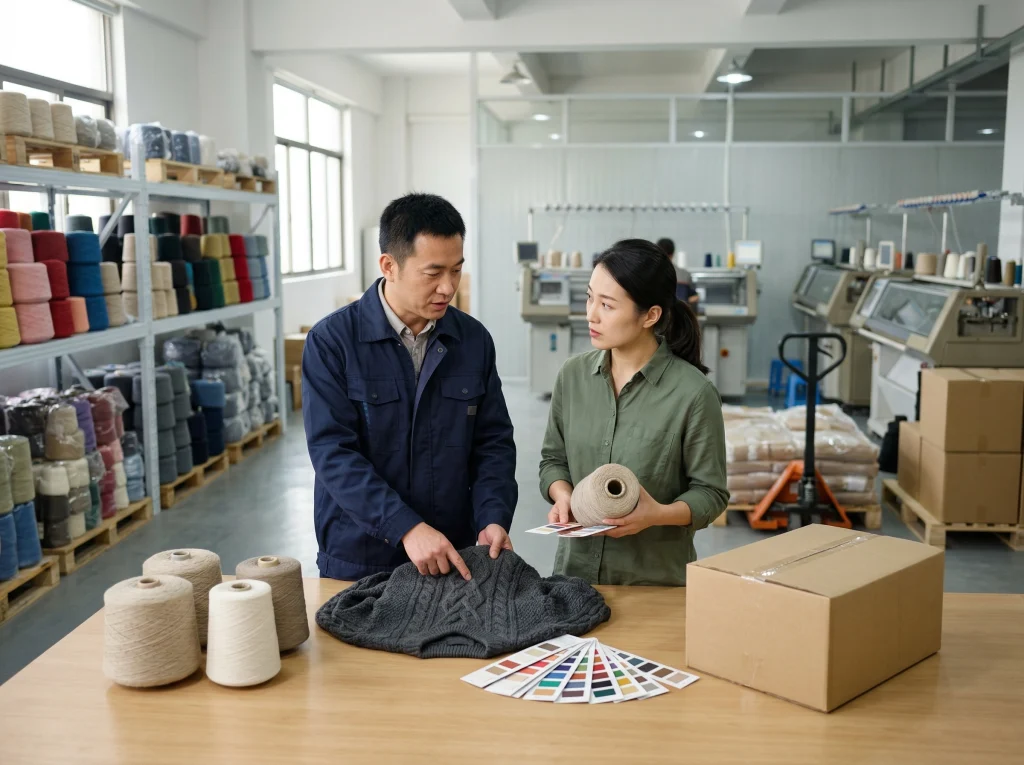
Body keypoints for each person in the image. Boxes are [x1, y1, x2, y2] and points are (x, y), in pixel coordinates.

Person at [303, 193, 517, 581]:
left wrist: (492, 517)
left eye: (456, 270)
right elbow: (333, 453)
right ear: (390, 265)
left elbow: (493, 443)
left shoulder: (473, 341)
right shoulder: (333, 342)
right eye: (433, 273)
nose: (448, 287)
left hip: (451, 552)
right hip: (360, 555)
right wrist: (404, 527)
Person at [539, 238, 728, 586]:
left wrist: (656, 515)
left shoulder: (693, 394)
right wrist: (563, 495)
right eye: (590, 297)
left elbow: (711, 493)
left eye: (607, 305)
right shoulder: (573, 376)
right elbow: (553, 461)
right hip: (574, 577)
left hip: (651, 582)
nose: (591, 314)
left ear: (650, 315)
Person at [656, 237, 699, 307]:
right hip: (679, 314)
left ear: (657, 252)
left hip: (656, 315)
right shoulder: (684, 274)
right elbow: (695, 297)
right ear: (673, 254)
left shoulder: (649, 273)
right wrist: (684, 301)